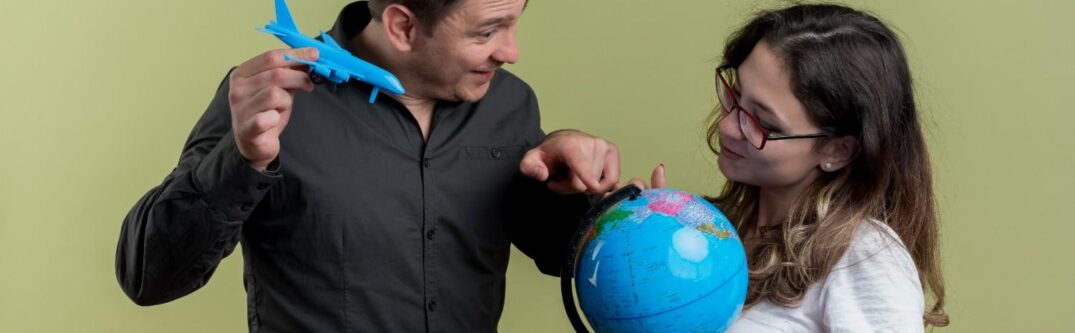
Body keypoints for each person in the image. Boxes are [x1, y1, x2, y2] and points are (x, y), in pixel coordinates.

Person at [115, 0, 622, 332]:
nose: (511, 51)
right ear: (402, 25)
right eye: (488, 31)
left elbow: (559, 253)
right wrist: (242, 159)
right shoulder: (269, 101)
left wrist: (587, 195)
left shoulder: (509, 105)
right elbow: (148, 279)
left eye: (514, 22)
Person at [636, 4, 949, 332]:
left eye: (764, 122)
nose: (727, 126)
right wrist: (645, 247)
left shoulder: (862, 256)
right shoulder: (716, 230)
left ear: (837, 150)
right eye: (736, 93)